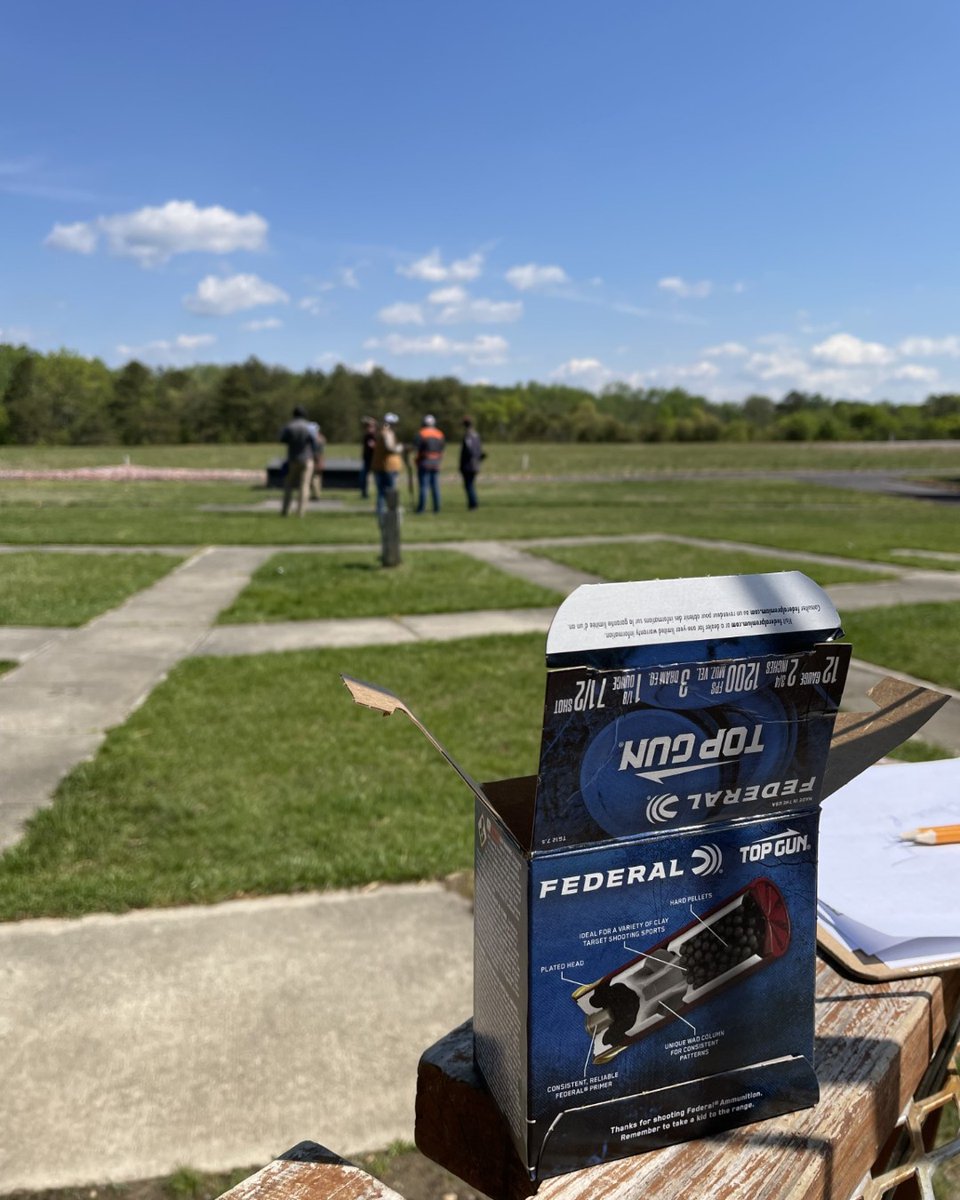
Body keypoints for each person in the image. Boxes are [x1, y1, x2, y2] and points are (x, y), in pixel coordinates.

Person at [279, 405, 319, 517]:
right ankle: (301, 511)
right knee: (304, 485)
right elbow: (314, 443)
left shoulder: (289, 426)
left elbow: (282, 439)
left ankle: (285, 510)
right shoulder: (309, 427)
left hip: (292, 458)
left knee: (288, 485)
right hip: (307, 459)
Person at [370, 412, 403, 520]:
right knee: (390, 491)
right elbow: (390, 448)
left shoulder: (379, 432)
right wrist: (400, 448)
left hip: (379, 466)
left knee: (381, 492)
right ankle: (390, 512)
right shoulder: (387, 433)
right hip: (389, 466)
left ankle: (380, 511)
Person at [413, 414, 445, 513]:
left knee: (423, 486)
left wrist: (416, 460)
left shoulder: (421, 434)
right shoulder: (440, 434)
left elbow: (416, 449)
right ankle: (437, 508)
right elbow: (442, 449)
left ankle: (421, 508)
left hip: (424, 462)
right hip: (436, 463)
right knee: (435, 486)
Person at [459, 415, 484, 510]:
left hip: (469, 464)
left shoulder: (468, 436)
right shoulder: (476, 435)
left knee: (469, 485)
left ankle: (473, 504)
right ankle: (472, 503)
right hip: (476, 463)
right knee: (470, 484)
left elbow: (469, 450)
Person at [308, 420, 327, 500]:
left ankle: (315, 495)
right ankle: (316, 494)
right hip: (320, 460)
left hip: (316, 460)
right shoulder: (321, 438)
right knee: (318, 479)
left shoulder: (315, 439)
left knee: (314, 478)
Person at [359, 416, 377, 499]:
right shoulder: (368, 435)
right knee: (364, 477)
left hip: (372, 459)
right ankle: (364, 493)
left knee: (374, 477)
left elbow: (373, 446)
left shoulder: (373, 435)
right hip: (367, 458)